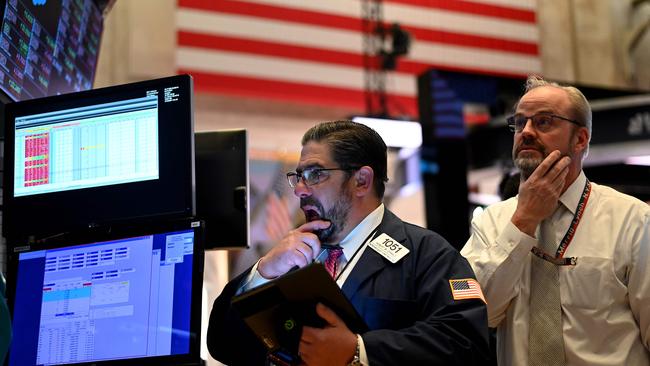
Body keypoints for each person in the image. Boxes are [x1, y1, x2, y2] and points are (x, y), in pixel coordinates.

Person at [208, 120, 490, 365]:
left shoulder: (427, 253)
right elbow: (222, 344)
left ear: (362, 181)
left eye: (315, 174)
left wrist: (360, 351)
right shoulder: (291, 257)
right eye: (298, 177)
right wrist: (264, 271)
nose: (300, 191)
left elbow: (467, 345)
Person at [461, 75, 650, 365]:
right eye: (519, 122)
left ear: (580, 138)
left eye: (544, 121)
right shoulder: (491, 222)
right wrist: (523, 221)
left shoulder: (633, 220)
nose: (526, 131)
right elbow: (474, 314)